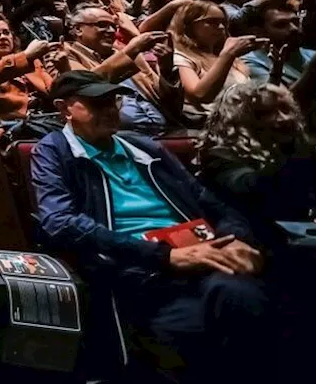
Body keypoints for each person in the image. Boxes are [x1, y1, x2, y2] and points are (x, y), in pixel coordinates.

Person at [32, 70, 269, 383]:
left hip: (201, 256)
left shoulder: (144, 147)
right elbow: (59, 222)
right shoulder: (53, 150)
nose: (109, 110)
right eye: (95, 103)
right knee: (224, 316)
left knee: (243, 295)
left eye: (112, 101)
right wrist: (163, 256)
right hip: (138, 269)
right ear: (65, 109)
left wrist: (237, 238)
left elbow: (210, 203)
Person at [198, 82, 316, 249]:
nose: (283, 118)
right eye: (266, 113)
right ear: (240, 118)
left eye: (285, 109)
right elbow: (256, 190)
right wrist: (315, 155)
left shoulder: (295, 146)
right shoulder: (219, 156)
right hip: (257, 244)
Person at [63, 5, 182, 134]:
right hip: (111, 133)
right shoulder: (64, 54)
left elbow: (164, 97)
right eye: (102, 24)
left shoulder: (130, 54)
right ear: (78, 29)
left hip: (163, 128)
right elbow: (84, 85)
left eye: (114, 26)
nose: (110, 30)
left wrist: (166, 68)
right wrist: (130, 51)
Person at [169, 0, 256, 125]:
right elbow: (199, 94)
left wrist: (276, 67)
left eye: (223, 23)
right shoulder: (181, 57)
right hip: (211, 127)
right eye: (212, 22)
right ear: (188, 25)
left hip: (242, 121)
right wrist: (228, 55)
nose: (221, 27)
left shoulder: (228, 58)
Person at [238, 5, 316, 123]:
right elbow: (280, 105)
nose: (294, 28)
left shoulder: (311, 53)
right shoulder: (250, 62)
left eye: (295, 22)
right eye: (281, 24)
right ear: (259, 32)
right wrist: (315, 68)